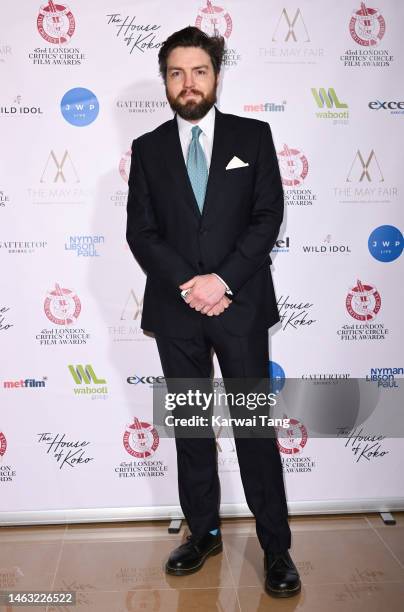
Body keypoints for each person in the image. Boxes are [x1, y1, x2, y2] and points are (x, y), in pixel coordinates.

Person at [126, 26, 300, 598]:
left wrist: (221, 280)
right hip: (176, 314)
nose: (188, 83)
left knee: (253, 428)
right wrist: (189, 284)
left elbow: (266, 217)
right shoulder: (148, 148)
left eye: (198, 71)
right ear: (166, 82)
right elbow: (142, 233)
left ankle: (276, 549)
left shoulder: (253, 137)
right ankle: (202, 532)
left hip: (240, 305)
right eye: (176, 73)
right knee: (193, 430)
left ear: (217, 75)